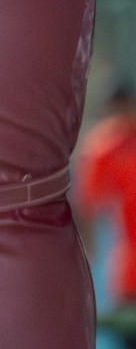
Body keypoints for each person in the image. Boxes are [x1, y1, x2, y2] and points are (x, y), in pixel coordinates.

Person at [76, 87, 136, 308]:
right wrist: (90, 252)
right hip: (126, 269)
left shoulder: (103, 146)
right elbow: (87, 204)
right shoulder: (104, 147)